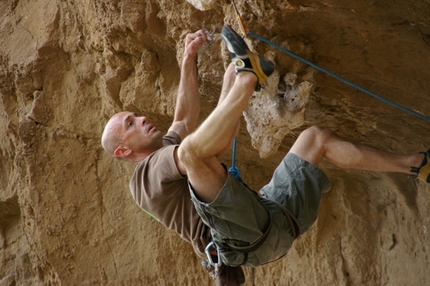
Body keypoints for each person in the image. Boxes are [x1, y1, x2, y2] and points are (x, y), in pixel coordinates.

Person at [101, 25, 430, 285]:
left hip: (271, 221)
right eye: (130, 123)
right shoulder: (145, 179)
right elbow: (202, 149)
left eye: (135, 115)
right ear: (124, 150)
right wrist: (237, 82)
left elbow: (184, 121)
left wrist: (190, 60)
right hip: (239, 238)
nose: (141, 118)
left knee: (315, 139)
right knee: (191, 152)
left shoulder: (164, 153)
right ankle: (248, 76)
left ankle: (418, 165)